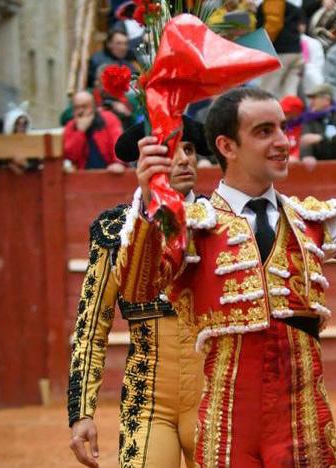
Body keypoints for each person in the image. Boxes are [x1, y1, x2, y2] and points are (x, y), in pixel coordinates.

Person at [114, 66, 336, 467]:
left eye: (283, 129)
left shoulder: (312, 222)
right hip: (227, 429)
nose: (283, 142)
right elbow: (137, 289)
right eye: (264, 131)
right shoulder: (192, 225)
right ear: (227, 146)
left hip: (305, 428)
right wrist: (149, 206)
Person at [68, 118, 207, 468]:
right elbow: (91, 327)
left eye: (189, 150)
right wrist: (81, 413)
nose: (184, 159)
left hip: (215, 398)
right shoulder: (114, 230)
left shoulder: (220, 222)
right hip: (146, 403)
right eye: (171, 152)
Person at [63, 91, 126, 172]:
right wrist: (80, 132)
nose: (80, 111)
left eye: (84, 106)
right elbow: (69, 156)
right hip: (82, 176)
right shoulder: (71, 126)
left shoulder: (109, 119)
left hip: (109, 172)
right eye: (77, 107)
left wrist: (118, 163)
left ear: (93, 106)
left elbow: (118, 143)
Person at [299, 83, 336, 162]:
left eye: (314, 98)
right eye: (310, 99)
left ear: (326, 99)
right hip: (319, 166)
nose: (311, 102)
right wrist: (307, 155)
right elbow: (306, 139)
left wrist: (321, 138)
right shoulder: (310, 118)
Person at [257, 0, 303, 99]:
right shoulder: (292, 4)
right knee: (289, 97)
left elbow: (274, 24)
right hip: (296, 52)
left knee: (266, 94)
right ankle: (291, 115)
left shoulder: (273, 1)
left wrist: (262, 44)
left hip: (280, 53)